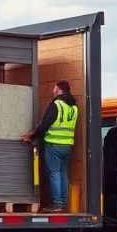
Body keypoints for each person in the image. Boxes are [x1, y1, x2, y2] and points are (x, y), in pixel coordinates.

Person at [21, 80, 79, 213]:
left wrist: (31, 136)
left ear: (59, 89)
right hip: (67, 145)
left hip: (54, 144)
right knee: (63, 173)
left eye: (54, 88)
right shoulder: (74, 107)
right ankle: (63, 202)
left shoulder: (57, 104)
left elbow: (45, 124)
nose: (52, 90)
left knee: (54, 173)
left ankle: (57, 204)